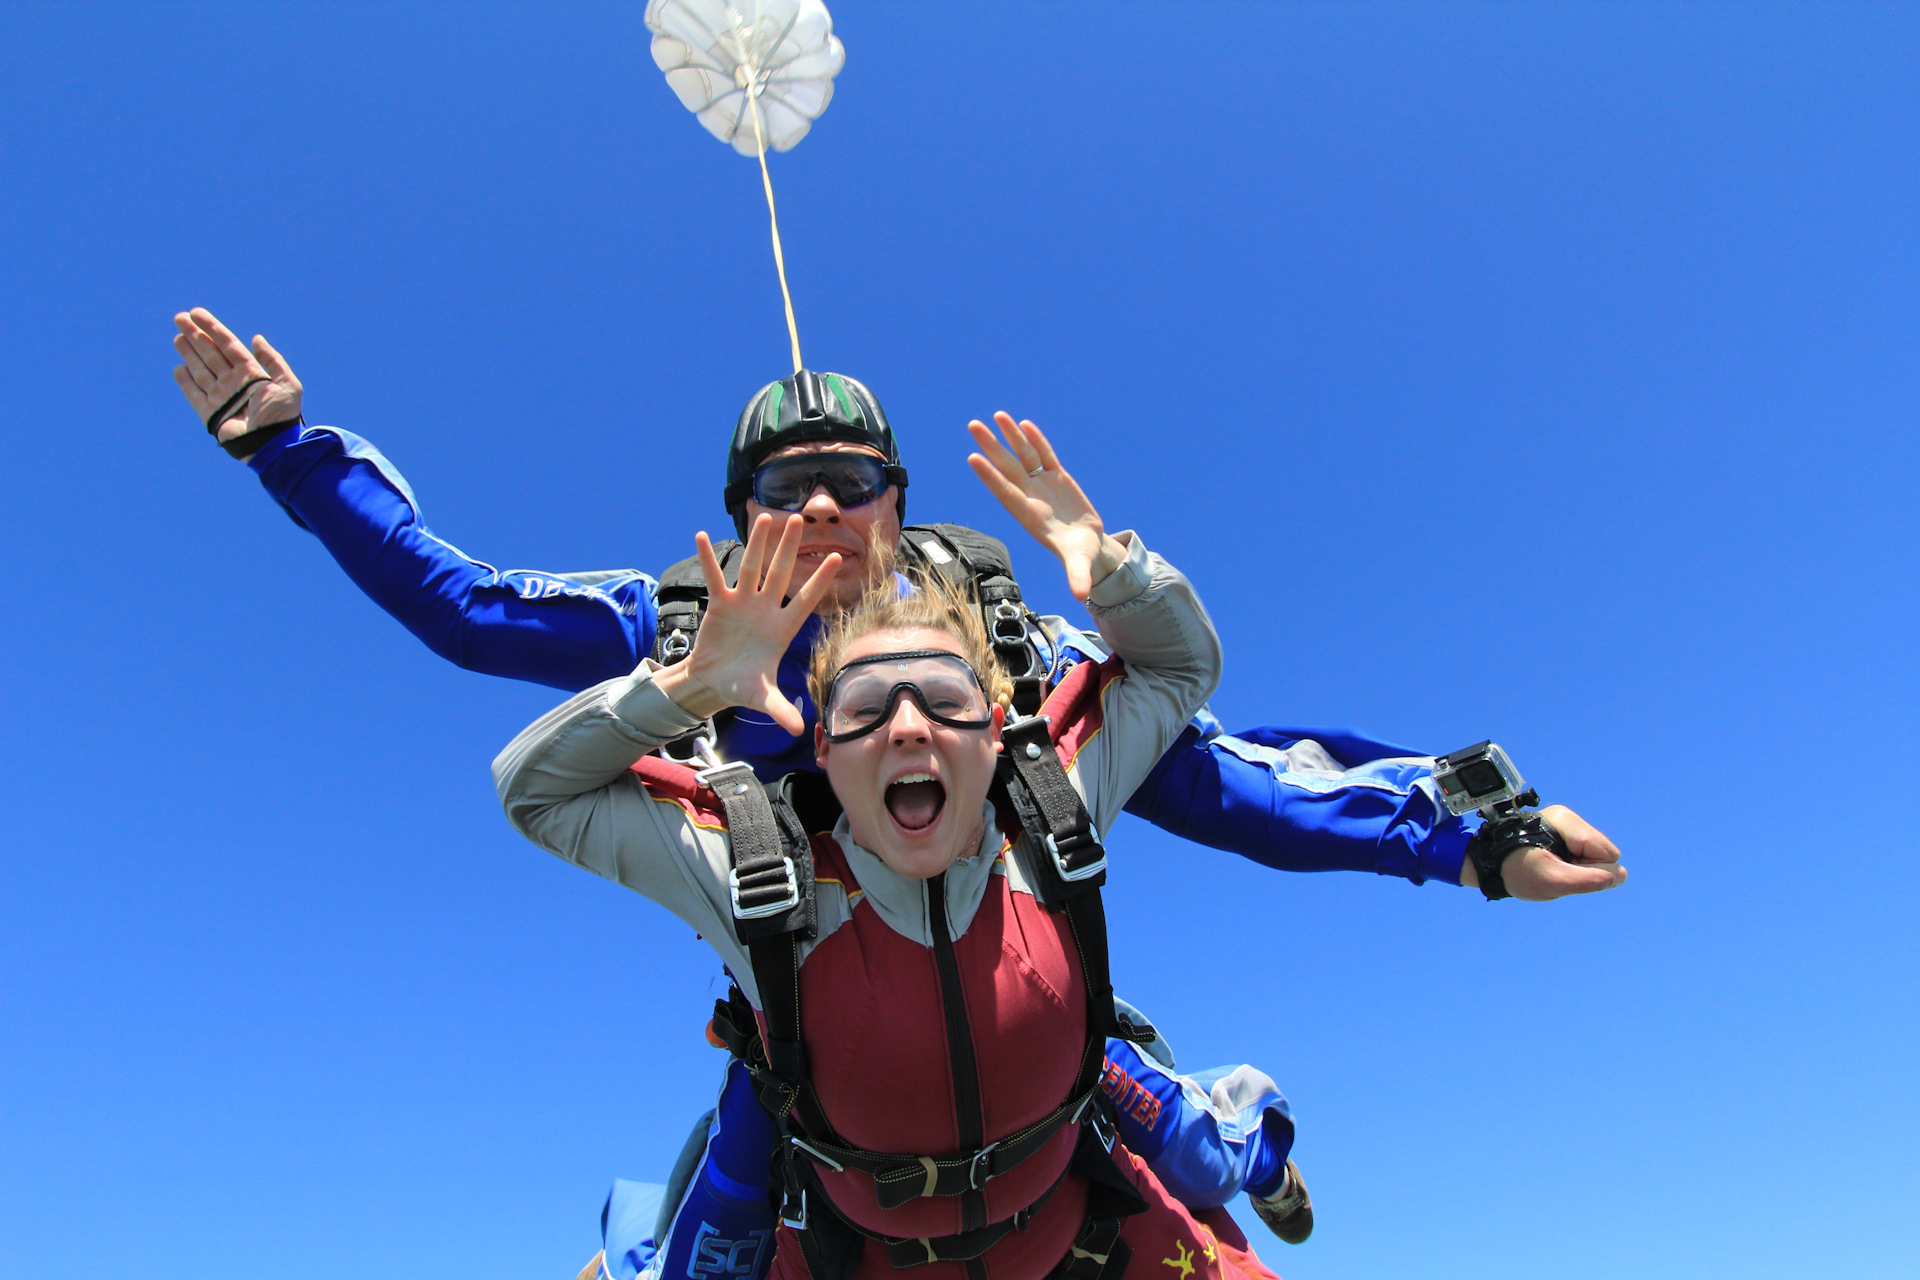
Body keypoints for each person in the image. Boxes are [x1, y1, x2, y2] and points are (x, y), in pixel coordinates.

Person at [168, 308, 1628, 1252]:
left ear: (899, 506)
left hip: (1025, 989)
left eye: (849, 481)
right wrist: (288, 452)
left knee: (1166, 1138)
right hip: (803, 1025)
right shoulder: (670, 631)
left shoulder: (989, 641)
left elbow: (1218, 771)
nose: (815, 505)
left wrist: (1459, 839)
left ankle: (1240, 1123)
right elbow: (465, 607)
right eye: (780, 485)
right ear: (734, 516)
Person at [495, 416, 1275, 1280]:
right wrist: (684, 689)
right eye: (866, 708)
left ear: (993, 729)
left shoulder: (1054, 796)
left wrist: (1113, 567)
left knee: (1206, 1161)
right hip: (861, 1251)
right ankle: (635, 1247)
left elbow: (1177, 672)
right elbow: (533, 790)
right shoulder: (758, 870)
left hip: (1084, 1226)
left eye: (945, 698)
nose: (908, 727)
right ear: (822, 750)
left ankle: (1257, 1125)